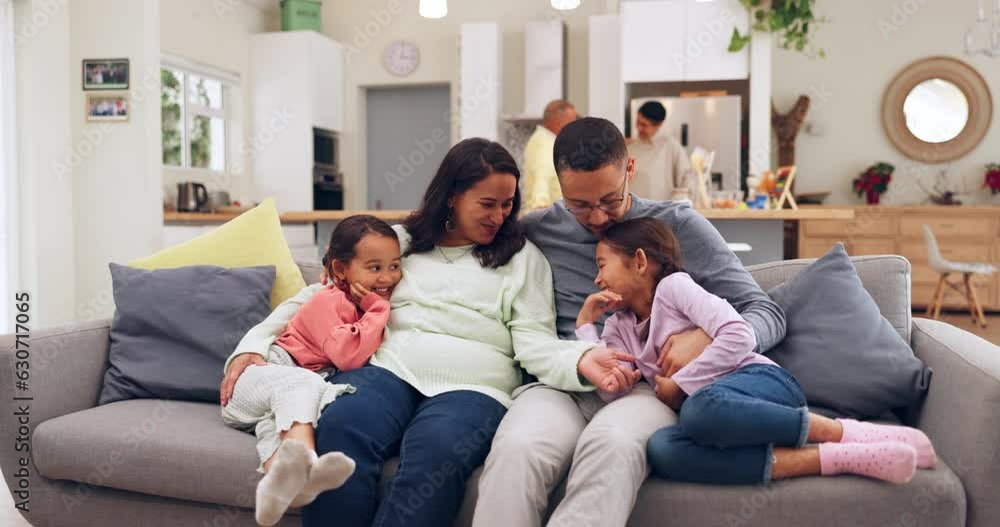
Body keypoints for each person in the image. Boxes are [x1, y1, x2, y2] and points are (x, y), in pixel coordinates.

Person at [232, 138, 634, 527]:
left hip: (475, 388)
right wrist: (254, 345)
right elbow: (317, 297)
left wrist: (581, 360)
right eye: (487, 204)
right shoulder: (398, 243)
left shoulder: (522, 258)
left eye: (508, 204)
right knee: (342, 424)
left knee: (439, 452)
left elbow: (535, 342)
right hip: (387, 370)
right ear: (453, 196)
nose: (498, 216)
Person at [473, 117, 787, 527]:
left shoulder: (677, 226)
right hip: (561, 380)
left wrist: (706, 338)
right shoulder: (535, 230)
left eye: (610, 199)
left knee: (613, 443)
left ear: (630, 170)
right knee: (517, 447)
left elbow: (765, 311)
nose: (597, 217)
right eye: (579, 205)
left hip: (644, 388)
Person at [577, 217, 936, 486]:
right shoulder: (617, 326)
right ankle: (837, 457)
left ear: (639, 261)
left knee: (699, 411)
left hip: (759, 380)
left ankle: (839, 431)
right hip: (714, 412)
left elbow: (739, 334)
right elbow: (611, 388)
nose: (597, 279)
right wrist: (585, 326)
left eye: (602, 265)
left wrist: (682, 384)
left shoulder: (674, 288)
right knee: (664, 449)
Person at [220, 215, 402, 526]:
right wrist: (379, 308)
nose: (387, 277)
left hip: (277, 399)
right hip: (260, 376)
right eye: (374, 268)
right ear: (340, 269)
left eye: (394, 266)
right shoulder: (327, 300)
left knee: (296, 412)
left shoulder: (361, 302)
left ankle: (282, 488)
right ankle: (309, 465)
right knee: (306, 384)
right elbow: (348, 357)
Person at [627, 101, 691, 201]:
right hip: (631, 208)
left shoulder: (671, 146)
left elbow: (686, 180)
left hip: (660, 209)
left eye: (644, 125)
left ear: (659, 125)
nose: (639, 128)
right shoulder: (630, 147)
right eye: (638, 122)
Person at [522, 99, 578, 210]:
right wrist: (541, 206)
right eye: (572, 122)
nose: (575, 127)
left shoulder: (546, 140)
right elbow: (541, 178)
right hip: (548, 214)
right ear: (558, 122)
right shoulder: (545, 145)